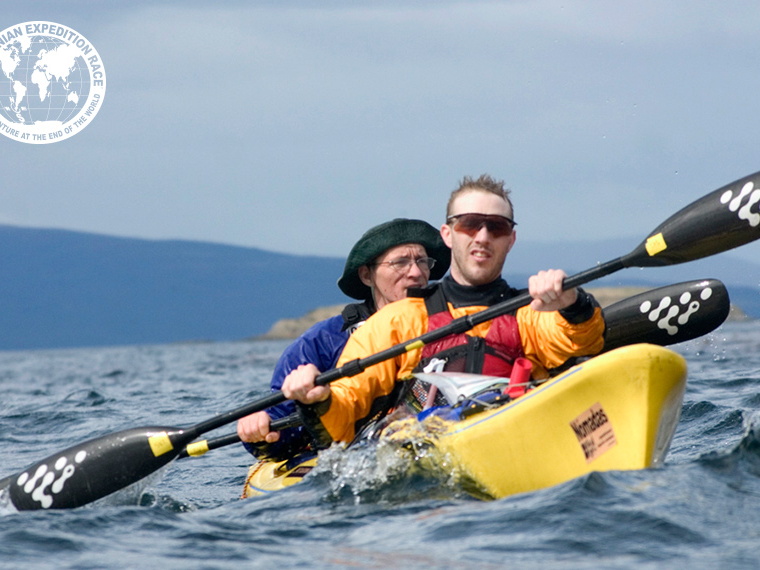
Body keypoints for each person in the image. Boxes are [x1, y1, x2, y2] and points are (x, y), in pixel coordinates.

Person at [280, 174, 606, 446]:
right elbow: (346, 406)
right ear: (448, 235)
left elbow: (581, 342)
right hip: (422, 461)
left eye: (497, 227)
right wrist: (318, 400)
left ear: (511, 239)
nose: (483, 236)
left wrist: (572, 303)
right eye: (469, 224)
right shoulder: (399, 320)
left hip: (511, 443)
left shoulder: (532, 313)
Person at [236, 218, 451, 458]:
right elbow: (284, 427)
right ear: (367, 276)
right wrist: (261, 431)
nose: (416, 272)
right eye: (400, 262)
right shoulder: (323, 341)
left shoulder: (452, 323)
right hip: (358, 454)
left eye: (422, 261)